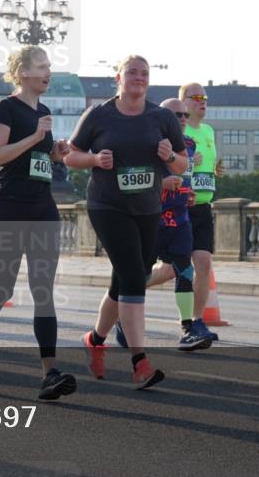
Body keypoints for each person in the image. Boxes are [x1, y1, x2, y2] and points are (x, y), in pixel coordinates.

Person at [0, 46, 77, 400]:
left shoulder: (44, 111)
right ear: (22, 72)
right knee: (3, 288)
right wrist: (35, 138)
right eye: (41, 66)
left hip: (42, 207)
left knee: (44, 291)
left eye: (49, 66)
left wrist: (55, 153)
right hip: (9, 206)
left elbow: (37, 157)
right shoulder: (6, 109)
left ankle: (49, 373)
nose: (48, 72)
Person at [65, 58, 187, 389]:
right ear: (119, 77)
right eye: (132, 72)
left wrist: (169, 157)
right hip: (108, 206)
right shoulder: (99, 114)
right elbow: (70, 155)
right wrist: (93, 159)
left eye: (144, 73)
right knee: (134, 278)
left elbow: (181, 164)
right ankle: (140, 362)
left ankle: (94, 339)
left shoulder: (161, 117)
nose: (138, 77)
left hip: (147, 208)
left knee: (125, 281)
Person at [135, 98, 213, 351]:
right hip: (151, 219)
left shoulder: (188, 144)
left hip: (180, 219)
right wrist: (161, 185)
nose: (181, 119)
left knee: (184, 271)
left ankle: (188, 329)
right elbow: (132, 179)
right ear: (161, 117)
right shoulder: (145, 143)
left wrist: (187, 193)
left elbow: (184, 177)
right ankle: (121, 311)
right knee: (139, 275)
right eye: (175, 115)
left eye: (184, 115)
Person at [178, 82, 225, 342]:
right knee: (170, 270)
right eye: (196, 97)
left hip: (203, 207)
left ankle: (196, 321)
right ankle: (127, 294)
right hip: (181, 207)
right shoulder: (179, 129)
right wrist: (187, 162)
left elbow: (205, 165)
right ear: (184, 101)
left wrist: (215, 171)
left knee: (204, 264)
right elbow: (168, 164)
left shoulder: (208, 130)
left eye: (205, 97)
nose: (202, 101)